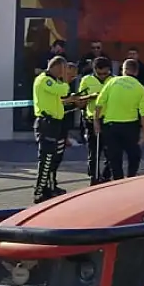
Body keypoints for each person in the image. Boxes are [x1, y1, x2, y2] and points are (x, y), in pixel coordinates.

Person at [93, 59, 144, 179]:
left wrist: (96, 123)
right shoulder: (141, 89)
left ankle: (118, 181)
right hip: (130, 127)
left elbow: (99, 103)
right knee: (134, 155)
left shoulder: (112, 82)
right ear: (136, 72)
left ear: (123, 70)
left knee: (114, 158)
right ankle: (131, 177)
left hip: (110, 126)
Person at [31, 57, 78, 203]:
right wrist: (65, 80)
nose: (65, 74)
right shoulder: (45, 80)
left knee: (53, 158)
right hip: (47, 123)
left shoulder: (53, 80)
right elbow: (63, 90)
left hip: (55, 123)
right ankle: (39, 191)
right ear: (57, 67)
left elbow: (60, 97)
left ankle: (50, 188)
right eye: (64, 70)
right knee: (46, 159)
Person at [78, 57, 113, 182]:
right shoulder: (86, 80)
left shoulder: (113, 80)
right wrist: (90, 97)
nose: (103, 76)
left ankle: (106, 175)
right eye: (100, 73)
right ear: (94, 70)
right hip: (91, 119)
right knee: (94, 151)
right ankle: (94, 177)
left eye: (105, 73)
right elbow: (79, 102)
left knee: (111, 151)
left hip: (109, 119)